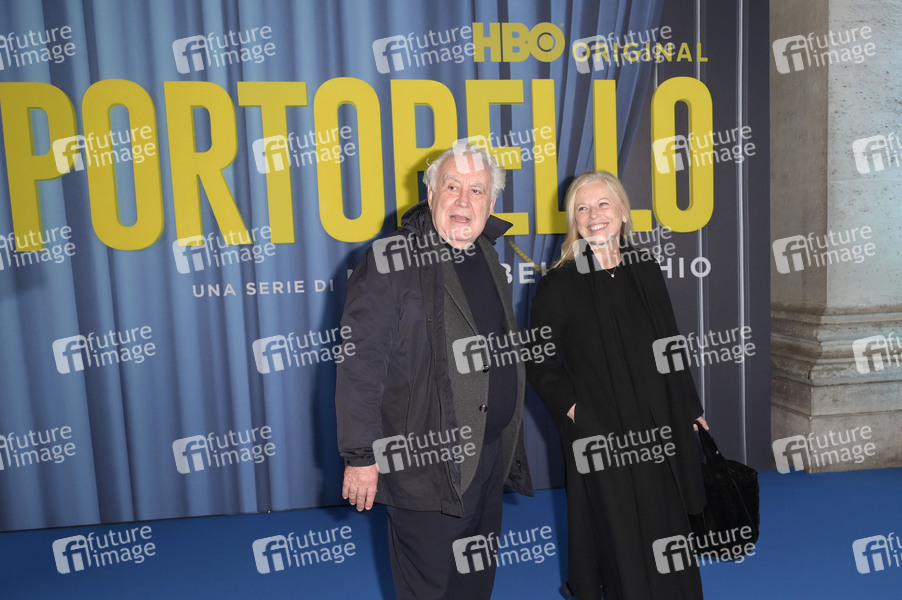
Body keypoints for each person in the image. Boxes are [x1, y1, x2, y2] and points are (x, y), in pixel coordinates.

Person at [335, 142, 533, 600]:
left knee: (474, 582)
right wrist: (360, 456)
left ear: (491, 202)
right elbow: (360, 364)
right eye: (452, 186)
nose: (464, 201)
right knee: (431, 588)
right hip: (425, 465)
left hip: (486, 458)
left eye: (477, 190)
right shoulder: (390, 259)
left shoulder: (489, 256)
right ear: (430, 194)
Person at [527, 171, 708, 600]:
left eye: (602, 204)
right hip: (601, 434)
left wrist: (690, 407)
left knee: (667, 525)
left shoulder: (645, 269)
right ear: (573, 219)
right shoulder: (559, 283)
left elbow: (670, 341)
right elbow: (537, 359)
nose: (593, 215)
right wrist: (576, 412)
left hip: (659, 424)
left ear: (623, 211)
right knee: (619, 534)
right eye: (582, 208)